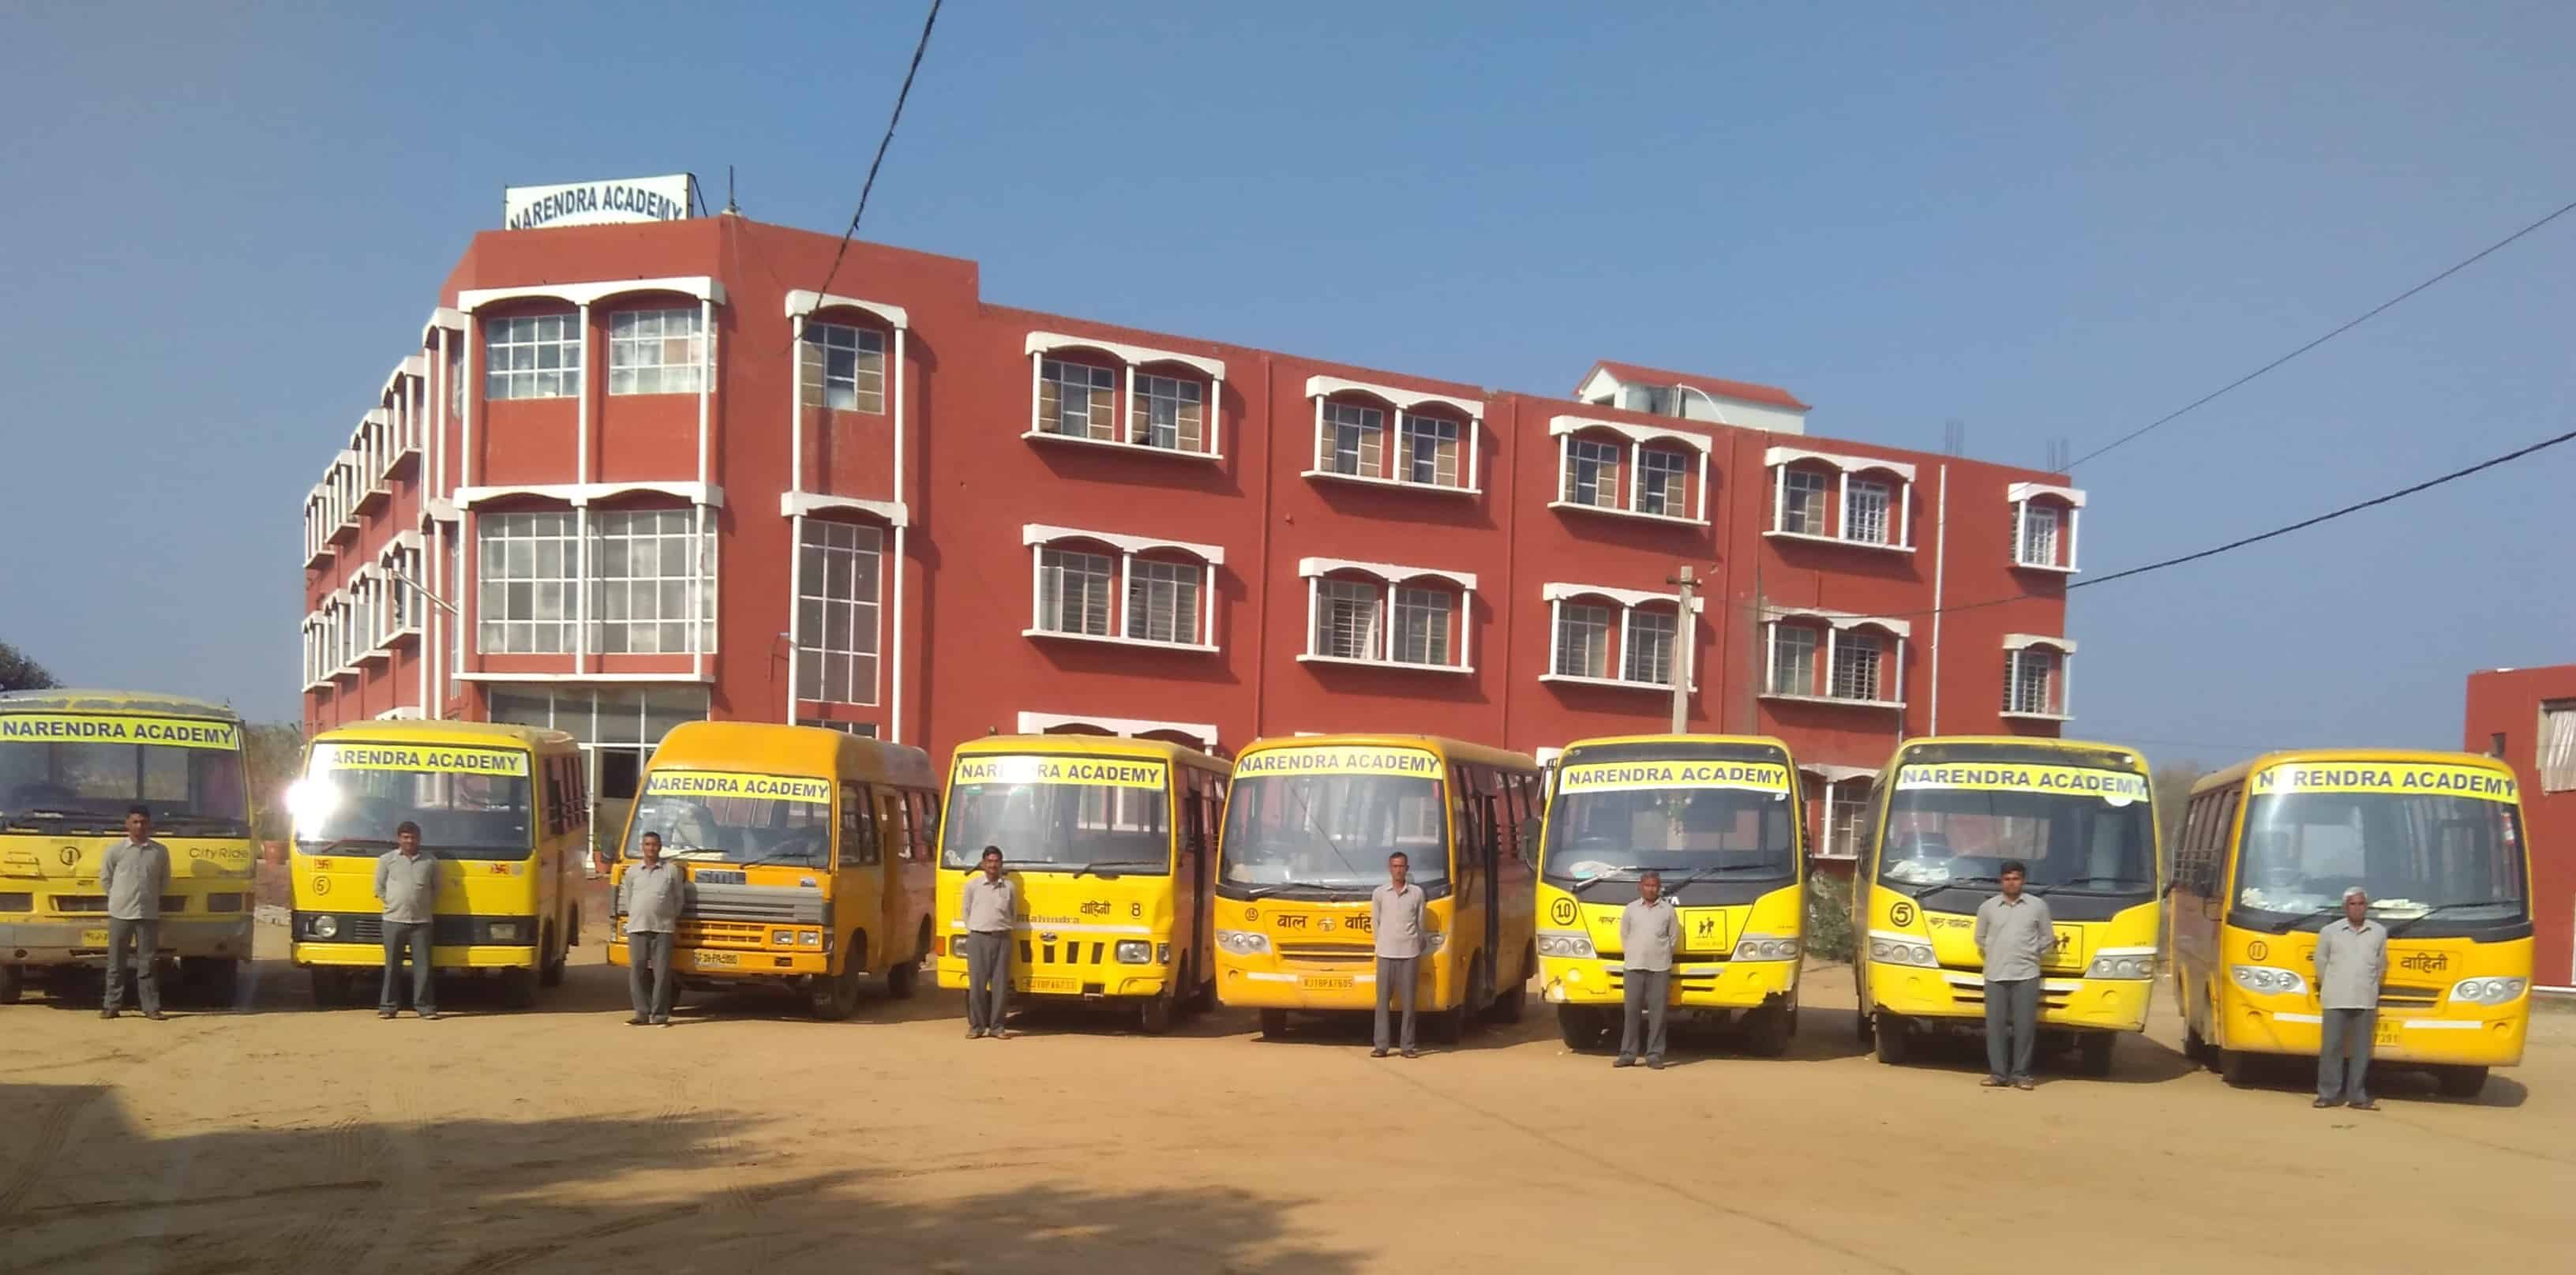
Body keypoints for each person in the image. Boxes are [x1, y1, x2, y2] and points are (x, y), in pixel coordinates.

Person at [1973, 859, 2053, 1089]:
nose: (2011, 883)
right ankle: (1998, 1074)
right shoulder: (1987, 908)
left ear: (2023, 881)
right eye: (2007, 879)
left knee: (2024, 1027)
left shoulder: (2038, 906)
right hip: (1995, 974)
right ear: (2001, 881)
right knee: (1995, 1027)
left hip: (2026, 974)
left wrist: (2032, 953)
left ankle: (2021, 1075)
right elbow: (1979, 938)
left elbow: (2048, 938)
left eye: (2016, 878)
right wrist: (1996, 952)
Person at [2314, 886, 2388, 1111]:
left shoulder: (2378, 932)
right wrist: (2332, 984)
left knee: (2362, 1051)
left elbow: (2380, 965)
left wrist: (2370, 986)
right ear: (2345, 907)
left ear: (2367, 907)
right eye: (2353, 904)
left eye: (2361, 904)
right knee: (2331, 1048)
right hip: (2336, 998)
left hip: (2365, 998)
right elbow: (2321, 963)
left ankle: (2357, 1096)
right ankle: (2327, 1095)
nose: (2357, 908)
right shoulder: (2329, 932)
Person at [99, 805, 171, 1021]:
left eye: (143, 822)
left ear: (150, 824)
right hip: (121, 913)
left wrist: (150, 898)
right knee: (116, 962)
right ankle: (111, 1006)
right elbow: (106, 879)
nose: (140, 826)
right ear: (127, 824)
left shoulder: (159, 852)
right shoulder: (115, 851)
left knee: (147, 963)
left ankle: (151, 1007)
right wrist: (118, 898)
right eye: (135, 822)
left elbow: (164, 881)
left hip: (148, 914)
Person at [373, 821, 439, 1020]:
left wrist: (421, 904)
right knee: (392, 966)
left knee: (423, 967)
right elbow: (379, 888)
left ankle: (425, 1008)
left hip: (422, 922)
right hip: (393, 921)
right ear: (399, 839)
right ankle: (388, 1007)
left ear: (419, 839)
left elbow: (436, 888)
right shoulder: (387, 860)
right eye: (405, 837)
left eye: (413, 837)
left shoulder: (430, 861)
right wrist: (393, 903)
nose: (409, 841)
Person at [1615, 871, 1678, 1069]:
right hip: (1633, 966)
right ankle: (1628, 1054)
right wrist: (1634, 952)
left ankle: (1654, 1055)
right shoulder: (1631, 909)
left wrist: (1661, 955)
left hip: (1659, 968)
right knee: (1631, 1011)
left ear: (1659, 888)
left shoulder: (1668, 910)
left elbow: (1673, 938)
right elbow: (1624, 935)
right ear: (1640, 887)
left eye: (1654, 886)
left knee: (1658, 1014)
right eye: (1647, 885)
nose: (1651, 889)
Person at [622, 831, 686, 1026]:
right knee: (637, 969)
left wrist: (669, 916)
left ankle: (659, 1015)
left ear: (660, 847)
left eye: (655, 844)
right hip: (637, 926)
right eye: (648, 844)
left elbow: (678, 898)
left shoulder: (671, 871)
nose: (651, 848)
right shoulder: (632, 872)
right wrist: (637, 914)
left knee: (662, 972)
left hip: (663, 928)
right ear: (642, 847)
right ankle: (641, 1013)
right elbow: (628, 898)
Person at [1370, 851, 1428, 1059]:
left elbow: (1421, 923)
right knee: (1382, 1002)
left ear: (1407, 869)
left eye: (1402, 866)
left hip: (1409, 953)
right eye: (1395, 866)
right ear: (1390, 868)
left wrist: (1417, 944)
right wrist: (1381, 943)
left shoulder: (1417, 893)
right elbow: (1375, 922)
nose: (1398, 870)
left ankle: (1407, 1046)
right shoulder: (1380, 893)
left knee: (1409, 1003)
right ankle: (1381, 1045)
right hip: (1385, 953)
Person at [960, 846, 1017, 1039]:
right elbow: (966, 911)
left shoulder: (1009, 887)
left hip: (1002, 939)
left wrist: (1002, 929)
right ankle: (977, 1027)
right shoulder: (972, 886)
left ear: (1001, 864)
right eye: (990, 861)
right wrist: (973, 931)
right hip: (978, 938)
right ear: (983, 864)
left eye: (997, 861)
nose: (993, 865)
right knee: (977, 985)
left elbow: (1013, 912)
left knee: (1000, 986)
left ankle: (997, 1027)